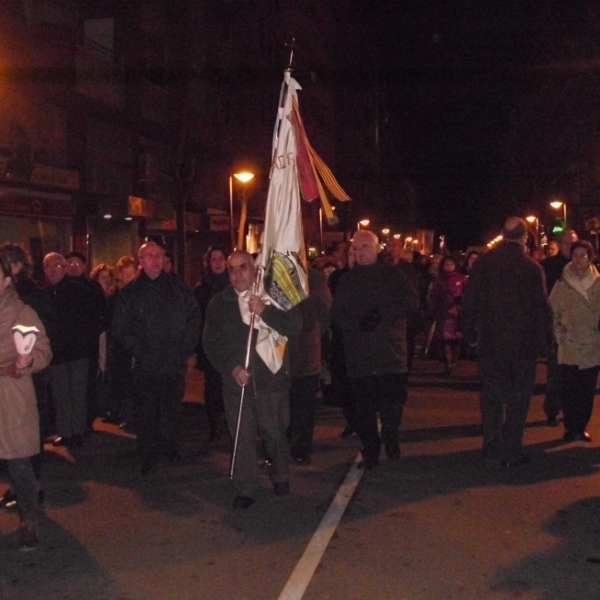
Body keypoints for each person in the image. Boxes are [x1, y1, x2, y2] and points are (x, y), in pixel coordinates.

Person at [202, 250, 302, 509]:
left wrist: (265, 311)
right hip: (238, 386)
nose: (237, 275)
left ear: (255, 269)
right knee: (242, 438)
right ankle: (246, 487)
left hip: (272, 382)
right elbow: (211, 343)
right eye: (231, 270)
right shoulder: (219, 303)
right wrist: (231, 368)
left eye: (243, 267)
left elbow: (295, 325)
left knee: (275, 434)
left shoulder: (272, 296)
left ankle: (280, 475)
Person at [461, 217, 552, 467]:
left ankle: (492, 444)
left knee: (491, 396)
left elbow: (471, 301)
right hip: (523, 346)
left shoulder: (484, 264)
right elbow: (541, 309)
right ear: (524, 238)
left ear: (502, 235)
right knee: (518, 399)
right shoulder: (532, 268)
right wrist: (545, 344)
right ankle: (512, 450)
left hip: (491, 343)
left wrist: (468, 333)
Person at [330, 230, 419, 469]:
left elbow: (411, 302)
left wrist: (383, 316)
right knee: (364, 408)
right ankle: (371, 449)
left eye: (364, 248)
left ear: (376, 248)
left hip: (390, 354)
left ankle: (390, 437)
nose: (360, 253)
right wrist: (357, 323)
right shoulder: (347, 281)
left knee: (392, 403)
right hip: (360, 356)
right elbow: (336, 315)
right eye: (356, 249)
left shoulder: (394, 276)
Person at [111, 242, 201, 474]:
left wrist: (185, 348)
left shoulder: (178, 288)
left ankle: (169, 447)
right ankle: (148, 453)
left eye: (158, 255)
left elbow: (193, 318)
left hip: (173, 360)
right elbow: (120, 329)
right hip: (146, 363)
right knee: (146, 410)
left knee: (171, 408)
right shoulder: (130, 293)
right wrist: (139, 349)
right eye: (149, 256)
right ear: (140, 260)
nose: (155, 260)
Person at [0, 255, 52, 550]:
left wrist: (29, 358)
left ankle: (28, 520)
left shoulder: (21, 312)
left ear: (7, 280)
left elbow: (43, 349)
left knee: (19, 464)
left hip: (10, 393)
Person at [41, 253, 98, 447]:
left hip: (77, 351)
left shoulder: (79, 291)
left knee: (77, 393)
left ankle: (78, 431)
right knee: (61, 394)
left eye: (56, 266)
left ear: (64, 268)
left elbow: (92, 319)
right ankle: (65, 432)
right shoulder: (46, 294)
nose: (52, 271)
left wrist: (85, 343)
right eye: (48, 267)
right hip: (56, 353)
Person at [549, 241, 600, 443]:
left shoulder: (597, 282)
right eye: (576, 254)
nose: (579, 259)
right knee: (569, 389)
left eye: (583, 255)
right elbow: (553, 310)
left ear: (591, 258)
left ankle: (582, 426)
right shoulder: (562, 281)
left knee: (587, 390)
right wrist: (560, 334)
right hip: (570, 342)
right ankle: (570, 427)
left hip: (592, 343)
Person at [287, 266, 332, 465]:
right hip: (277, 356)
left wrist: (312, 337)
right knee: (279, 408)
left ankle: (300, 448)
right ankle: (279, 449)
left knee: (303, 407)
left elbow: (326, 313)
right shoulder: (269, 272)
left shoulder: (315, 278)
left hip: (305, 354)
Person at [541, 230, 579, 426]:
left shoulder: (582, 266)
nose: (571, 247)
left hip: (578, 328)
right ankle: (552, 409)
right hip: (556, 326)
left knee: (574, 373)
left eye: (574, 243)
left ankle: (570, 412)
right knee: (556, 371)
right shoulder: (548, 266)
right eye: (567, 243)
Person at [193, 245, 230, 442]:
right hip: (211, 344)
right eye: (213, 259)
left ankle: (229, 420)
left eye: (220, 259)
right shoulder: (202, 288)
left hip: (231, 344)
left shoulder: (233, 284)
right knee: (213, 386)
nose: (217, 263)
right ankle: (214, 423)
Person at [427, 256, 467, 375]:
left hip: (458, 313)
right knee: (445, 340)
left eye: (451, 265)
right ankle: (448, 364)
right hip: (443, 313)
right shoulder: (439, 280)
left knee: (457, 339)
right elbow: (435, 297)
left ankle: (454, 362)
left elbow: (466, 294)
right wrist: (432, 310)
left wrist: (461, 307)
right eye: (446, 265)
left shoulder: (462, 279)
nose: (449, 267)